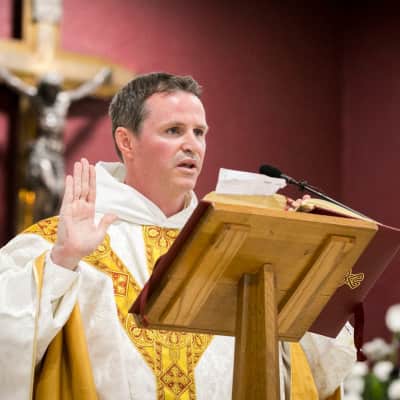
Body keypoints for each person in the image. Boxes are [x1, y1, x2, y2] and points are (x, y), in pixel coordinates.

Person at [0, 72, 356, 399]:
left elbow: (312, 368)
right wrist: (62, 263)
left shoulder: (234, 242)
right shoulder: (62, 240)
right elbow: (8, 339)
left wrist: (303, 263)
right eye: (174, 131)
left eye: (199, 132)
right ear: (126, 141)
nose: (192, 145)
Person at [0, 66, 111, 220]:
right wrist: (2, 71)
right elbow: (16, 84)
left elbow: (83, 91)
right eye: (48, 88)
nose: (51, 91)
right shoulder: (38, 100)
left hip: (56, 153)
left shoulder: (62, 101)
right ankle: (39, 221)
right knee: (49, 187)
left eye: (53, 87)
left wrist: (100, 78)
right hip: (42, 151)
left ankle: (47, 222)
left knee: (59, 191)